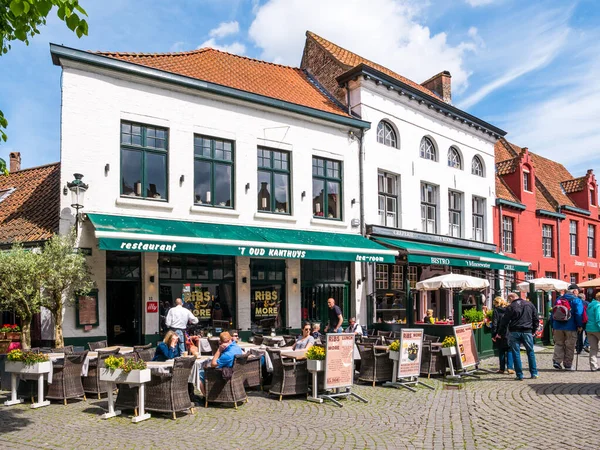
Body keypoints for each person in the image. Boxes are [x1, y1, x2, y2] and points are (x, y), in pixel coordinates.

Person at [497, 293, 539, 380]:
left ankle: (519, 375)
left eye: (509, 300)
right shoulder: (529, 304)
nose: (509, 301)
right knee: (530, 352)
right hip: (527, 331)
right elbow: (535, 318)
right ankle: (534, 373)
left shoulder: (511, 307)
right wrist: (534, 329)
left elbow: (504, 321)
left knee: (516, 353)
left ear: (512, 298)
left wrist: (500, 333)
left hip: (514, 331)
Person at [551, 284, 584, 370]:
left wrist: (552, 325)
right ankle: (568, 364)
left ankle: (557, 361)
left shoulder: (558, 299)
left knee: (558, 344)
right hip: (571, 326)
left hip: (557, 326)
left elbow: (553, 313)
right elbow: (579, 314)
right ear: (575, 291)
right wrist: (579, 325)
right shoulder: (576, 300)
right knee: (570, 345)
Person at [490, 296, 514, 374]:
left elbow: (495, 324)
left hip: (500, 333)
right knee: (509, 350)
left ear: (496, 303)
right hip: (509, 332)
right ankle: (510, 368)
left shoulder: (496, 311)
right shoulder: (509, 309)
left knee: (501, 351)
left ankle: (502, 369)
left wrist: (494, 335)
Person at [585, 292, 600, 371]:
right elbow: (598, 318)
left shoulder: (590, 305)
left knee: (593, 348)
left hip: (589, 329)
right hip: (597, 329)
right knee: (594, 348)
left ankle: (593, 366)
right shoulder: (598, 306)